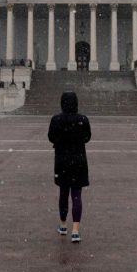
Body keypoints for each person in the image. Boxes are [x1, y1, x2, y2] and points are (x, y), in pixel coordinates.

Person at [47, 91, 91, 243]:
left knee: (63, 194)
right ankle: (76, 230)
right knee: (77, 195)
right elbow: (87, 137)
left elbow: (50, 137)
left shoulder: (56, 120)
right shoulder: (83, 119)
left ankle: (63, 225)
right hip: (79, 160)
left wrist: (62, 140)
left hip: (62, 160)